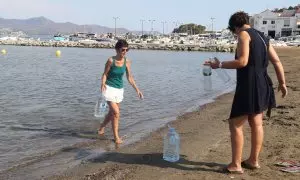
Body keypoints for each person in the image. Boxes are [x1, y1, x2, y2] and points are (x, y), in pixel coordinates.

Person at [206, 11, 288, 173]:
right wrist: (282, 82)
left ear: (235, 27)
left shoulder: (243, 34)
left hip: (249, 85)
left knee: (235, 124)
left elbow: (242, 61)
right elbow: (277, 61)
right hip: (263, 83)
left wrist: (219, 65)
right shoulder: (263, 36)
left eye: (233, 31)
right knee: (256, 123)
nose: (235, 34)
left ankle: (236, 165)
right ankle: (253, 160)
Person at [98, 39, 143, 144]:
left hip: (119, 90)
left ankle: (101, 127)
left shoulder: (127, 61)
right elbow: (105, 74)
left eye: (127, 50)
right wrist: (102, 83)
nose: (125, 52)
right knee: (116, 113)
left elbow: (129, 77)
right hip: (108, 88)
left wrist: (137, 90)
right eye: (123, 50)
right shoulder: (110, 60)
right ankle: (116, 137)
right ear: (117, 50)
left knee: (111, 113)